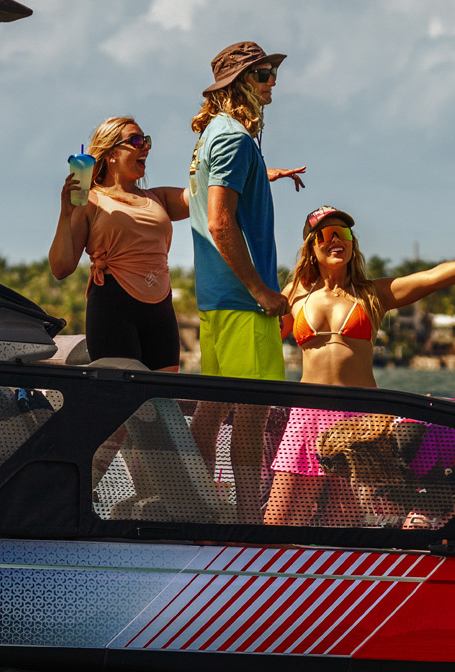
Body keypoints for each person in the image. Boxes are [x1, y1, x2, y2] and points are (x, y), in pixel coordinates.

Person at [263, 205, 455, 526]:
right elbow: (263, 337)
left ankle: (355, 559)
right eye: (326, 234)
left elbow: (431, 278)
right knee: (278, 518)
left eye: (343, 233)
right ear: (311, 246)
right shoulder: (294, 294)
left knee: (347, 520)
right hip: (306, 416)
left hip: (359, 420)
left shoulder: (373, 294)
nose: (336, 240)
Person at [186, 41, 306, 523]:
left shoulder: (214, 135)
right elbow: (220, 223)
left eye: (272, 72)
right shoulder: (234, 138)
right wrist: (260, 290)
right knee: (252, 414)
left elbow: (215, 195)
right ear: (238, 83)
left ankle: (192, 509)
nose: (272, 81)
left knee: (213, 410)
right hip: (243, 301)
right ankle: (246, 521)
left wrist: (261, 174)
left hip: (217, 300)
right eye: (262, 74)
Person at [50, 116, 189, 372]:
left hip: (161, 311)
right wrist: (65, 213)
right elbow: (61, 268)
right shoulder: (91, 201)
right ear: (111, 153)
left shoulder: (158, 198)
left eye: (146, 141)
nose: (145, 146)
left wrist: (248, 172)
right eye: (136, 141)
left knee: (164, 393)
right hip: (113, 309)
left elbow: (206, 196)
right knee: (124, 394)